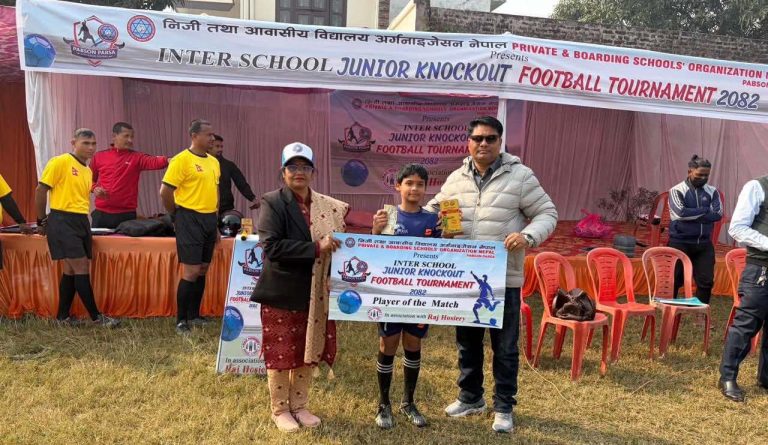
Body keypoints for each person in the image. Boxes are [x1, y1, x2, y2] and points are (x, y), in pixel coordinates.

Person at [425, 116, 557, 433]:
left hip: (503, 278)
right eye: (477, 138)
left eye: (490, 138)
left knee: (505, 347)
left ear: (500, 142)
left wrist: (527, 236)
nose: (483, 143)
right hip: (464, 277)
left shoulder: (520, 176)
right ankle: (471, 398)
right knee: (466, 343)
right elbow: (432, 211)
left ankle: (504, 407)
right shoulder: (456, 178)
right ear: (468, 142)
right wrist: (397, 220)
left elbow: (547, 213)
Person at [250, 142, 347, 433]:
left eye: (305, 167)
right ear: (283, 172)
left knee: (308, 348)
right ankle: (280, 409)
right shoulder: (273, 201)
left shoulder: (327, 206)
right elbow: (271, 246)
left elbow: (343, 241)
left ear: (313, 172)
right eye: (292, 166)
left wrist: (376, 230)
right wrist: (316, 248)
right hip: (282, 290)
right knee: (281, 353)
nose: (299, 172)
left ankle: (300, 405)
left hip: (316, 292)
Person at [370, 163, 441, 429]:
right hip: (391, 294)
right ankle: (383, 404)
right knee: (387, 345)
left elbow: (444, 258)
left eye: (420, 184)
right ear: (398, 186)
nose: (414, 188)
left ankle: (408, 402)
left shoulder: (433, 220)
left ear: (426, 188)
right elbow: (373, 254)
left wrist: (449, 237)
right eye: (409, 183)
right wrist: (375, 232)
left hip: (420, 295)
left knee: (413, 344)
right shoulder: (387, 216)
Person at [35, 129, 120, 328]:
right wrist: (41, 220)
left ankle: (62, 318)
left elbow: (75, 194)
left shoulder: (87, 170)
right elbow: (41, 190)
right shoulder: (60, 162)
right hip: (62, 220)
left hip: (81, 220)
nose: (91, 148)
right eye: (86, 143)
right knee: (81, 267)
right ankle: (97, 318)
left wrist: (95, 191)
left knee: (71, 270)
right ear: (73, 143)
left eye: (93, 144)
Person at [159, 119, 220, 334]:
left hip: (209, 219)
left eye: (213, 134)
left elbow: (214, 193)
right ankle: (181, 320)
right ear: (194, 136)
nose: (212, 138)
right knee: (191, 271)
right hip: (188, 217)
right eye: (208, 134)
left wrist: (216, 223)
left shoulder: (214, 162)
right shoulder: (181, 160)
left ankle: (195, 315)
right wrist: (175, 215)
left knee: (203, 269)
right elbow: (165, 192)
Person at [718, 175, 768, 402]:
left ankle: (765, 378)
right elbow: (737, 228)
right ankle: (728, 377)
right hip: (761, 269)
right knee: (747, 325)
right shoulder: (757, 187)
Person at [90, 122, 169, 229]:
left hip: (126, 215)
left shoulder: (137, 157)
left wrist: (171, 160)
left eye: (132, 137)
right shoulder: (99, 156)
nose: (130, 140)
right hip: (101, 214)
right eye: (126, 136)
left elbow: (156, 161)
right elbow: (88, 180)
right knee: (97, 241)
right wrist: (95, 188)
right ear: (114, 136)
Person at [668, 155, 722, 305]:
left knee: (706, 281)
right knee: (675, 280)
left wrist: (692, 213)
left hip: (704, 244)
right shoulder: (677, 190)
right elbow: (680, 213)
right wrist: (705, 211)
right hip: (680, 242)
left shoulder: (713, 192)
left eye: (706, 175)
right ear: (689, 171)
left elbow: (717, 214)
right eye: (700, 174)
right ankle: (670, 311)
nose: (703, 178)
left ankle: (700, 312)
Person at [207, 134, 259, 213]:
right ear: (209, 147)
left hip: (226, 209)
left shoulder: (229, 165)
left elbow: (241, 183)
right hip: (205, 209)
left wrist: (253, 199)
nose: (220, 149)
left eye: (221, 146)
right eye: (217, 146)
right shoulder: (200, 164)